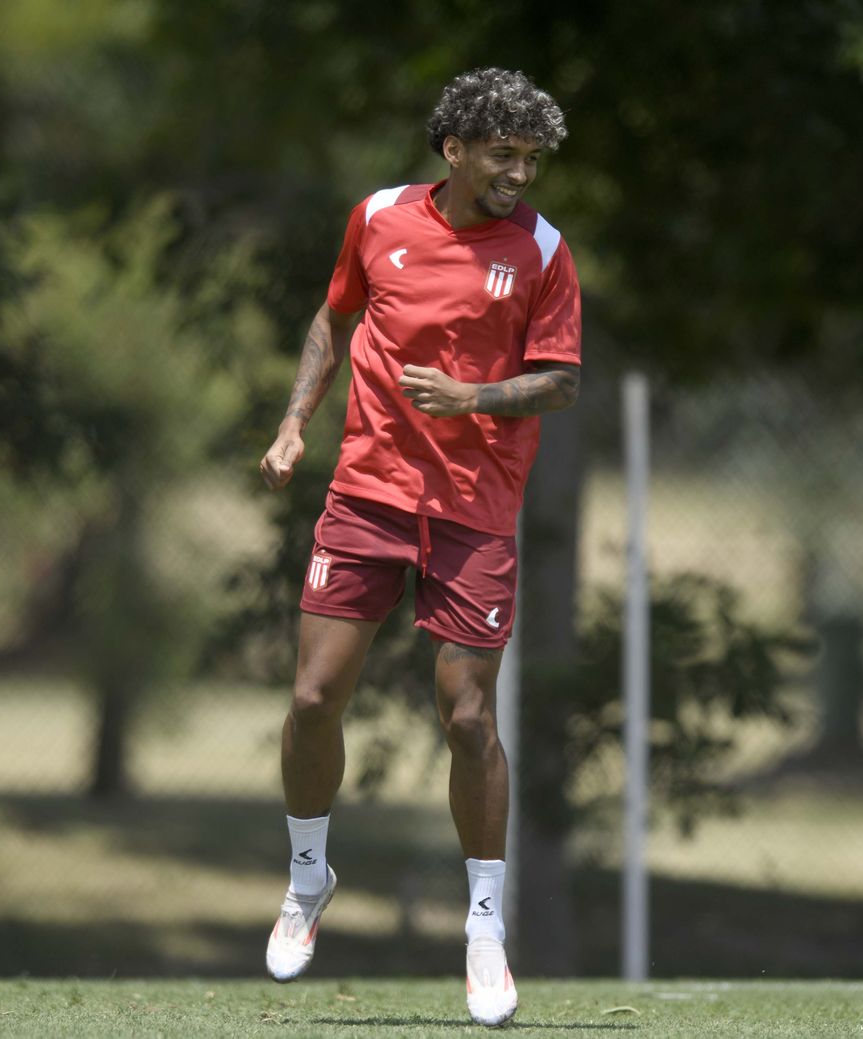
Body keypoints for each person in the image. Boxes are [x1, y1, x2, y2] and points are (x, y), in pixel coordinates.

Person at [257, 67, 580, 1028]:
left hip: (476, 510)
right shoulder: (378, 217)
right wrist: (293, 423)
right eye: (502, 154)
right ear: (454, 149)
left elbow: (561, 381)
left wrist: (471, 397)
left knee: (469, 718)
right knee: (313, 697)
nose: (519, 173)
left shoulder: (543, 250)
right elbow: (333, 317)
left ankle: (483, 927)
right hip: (367, 493)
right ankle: (307, 878)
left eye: (531, 158)